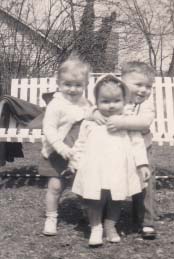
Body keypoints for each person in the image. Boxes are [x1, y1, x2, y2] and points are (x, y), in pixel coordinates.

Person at [70, 74, 150, 246]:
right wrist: (74, 161)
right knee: (95, 198)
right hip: (95, 168)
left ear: (124, 100)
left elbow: (137, 144)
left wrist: (142, 164)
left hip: (119, 168)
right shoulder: (91, 121)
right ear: (97, 102)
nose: (111, 105)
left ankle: (110, 226)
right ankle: (96, 227)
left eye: (116, 101)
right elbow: (81, 143)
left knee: (116, 199)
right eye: (105, 101)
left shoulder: (127, 122)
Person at [41, 54, 92, 236]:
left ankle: (88, 214)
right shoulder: (56, 104)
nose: (72, 89)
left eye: (78, 85)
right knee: (55, 187)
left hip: (79, 152)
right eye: (67, 84)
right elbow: (48, 128)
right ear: (59, 83)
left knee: (83, 185)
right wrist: (60, 147)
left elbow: (92, 124)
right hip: (58, 151)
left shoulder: (87, 104)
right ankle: (51, 217)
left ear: (85, 85)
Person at [106, 61, 156, 239]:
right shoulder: (115, 99)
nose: (144, 90)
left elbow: (144, 122)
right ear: (122, 83)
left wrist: (119, 122)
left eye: (148, 86)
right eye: (138, 84)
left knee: (145, 183)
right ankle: (108, 217)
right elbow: (99, 110)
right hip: (118, 148)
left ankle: (145, 220)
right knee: (112, 180)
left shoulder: (146, 104)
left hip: (143, 147)